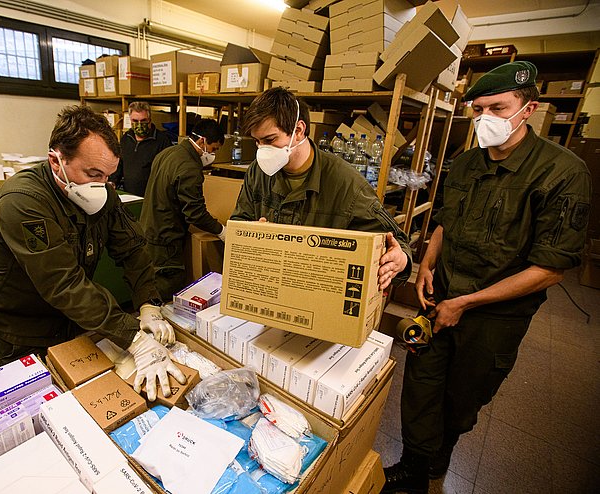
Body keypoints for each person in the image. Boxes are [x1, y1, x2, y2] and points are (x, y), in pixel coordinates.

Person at [382, 61, 591, 493]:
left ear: (527, 108)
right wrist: (426, 263)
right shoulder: (465, 163)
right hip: (440, 299)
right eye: (478, 110)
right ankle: (413, 465)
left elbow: (550, 268)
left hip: (494, 317)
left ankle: (439, 460)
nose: (486, 119)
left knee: (463, 398)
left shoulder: (562, 173)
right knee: (421, 388)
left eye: (498, 108)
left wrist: (467, 304)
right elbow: (443, 221)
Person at [0, 105, 185, 401]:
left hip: (66, 318)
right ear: (56, 161)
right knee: (25, 402)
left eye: (108, 177)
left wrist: (148, 303)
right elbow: (64, 284)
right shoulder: (21, 202)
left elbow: (132, 249)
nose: (102, 186)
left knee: (70, 390)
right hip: (15, 324)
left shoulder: (100, 193)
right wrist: (133, 337)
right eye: (92, 173)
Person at [231, 87, 411, 293]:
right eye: (257, 142)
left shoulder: (346, 184)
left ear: (298, 131)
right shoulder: (258, 172)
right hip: (270, 288)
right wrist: (251, 233)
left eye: (270, 140)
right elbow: (239, 220)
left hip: (318, 294)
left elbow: (397, 242)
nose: (262, 150)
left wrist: (401, 259)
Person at [140, 118, 226, 300]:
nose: (213, 155)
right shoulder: (189, 167)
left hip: (150, 229)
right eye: (214, 149)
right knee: (169, 285)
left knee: (152, 281)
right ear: (202, 141)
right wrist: (221, 230)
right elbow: (195, 213)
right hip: (166, 239)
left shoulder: (168, 153)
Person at [109, 101, 173, 196]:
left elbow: (168, 172)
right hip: (129, 195)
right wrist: (112, 182)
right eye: (135, 121)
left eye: (143, 121)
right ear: (130, 121)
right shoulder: (126, 139)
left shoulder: (162, 141)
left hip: (153, 198)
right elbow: (119, 163)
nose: (139, 124)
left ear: (150, 120)